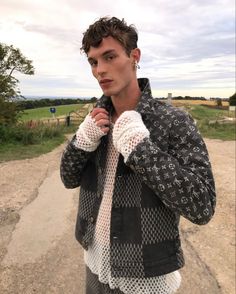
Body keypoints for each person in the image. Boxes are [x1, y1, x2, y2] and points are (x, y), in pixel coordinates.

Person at [60, 16, 216, 294]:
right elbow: (68, 178)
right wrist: (81, 141)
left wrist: (140, 150)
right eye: (94, 62)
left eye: (109, 57)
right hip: (94, 265)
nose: (100, 70)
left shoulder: (173, 121)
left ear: (134, 57)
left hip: (147, 277)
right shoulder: (95, 121)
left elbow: (201, 205)